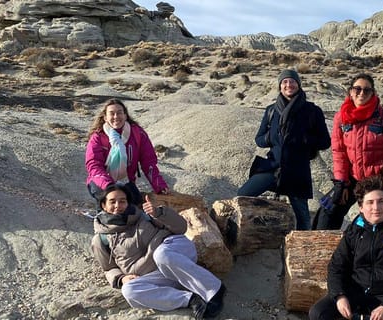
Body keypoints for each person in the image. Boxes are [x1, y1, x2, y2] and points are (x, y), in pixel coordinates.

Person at [91, 183, 225, 319]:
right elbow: (108, 268)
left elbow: (181, 227)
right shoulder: (101, 239)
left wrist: (159, 213)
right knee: (129, 290)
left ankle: (214, 290)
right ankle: (191, 300)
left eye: (122, 201)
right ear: (103, 205)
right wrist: (121, 278)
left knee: (161, 254)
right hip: (155, 275)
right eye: (112, 201)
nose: (117, 205)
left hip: (175, 254)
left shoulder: (143, 216)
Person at [309, 177, 383, 320]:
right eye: (370, 202)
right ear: (361, 208)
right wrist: (339, 295)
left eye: (381, 201)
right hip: (357, 291)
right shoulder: (354, 231)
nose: (376, 208)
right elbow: (336, 267)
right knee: (318, 313)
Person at [316, 73, 383, 230]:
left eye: (367, 90)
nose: (361, 93)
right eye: (357, 89)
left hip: (381, 180)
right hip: (354, 179)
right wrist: (341, 183)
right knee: (328, 211)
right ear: (350, 92)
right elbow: (339, 152)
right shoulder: (341, 117)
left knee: (381, 219)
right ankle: (319, 249)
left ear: (373, 93)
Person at [238, 69, 331, 230]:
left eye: (292, 81)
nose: (289, 85)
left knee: (302, 216)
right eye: (285, 82)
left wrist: (303, 139)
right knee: (242, 195)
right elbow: (259, 139)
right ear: (280, 86)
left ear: (298, 85)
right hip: (273, 167)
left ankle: (303, 248)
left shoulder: (312, 111)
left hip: (297, 170)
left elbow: (325, 142)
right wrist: (270, 138)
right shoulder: (271, 110)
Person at [85, 98, 169, 210]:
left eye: (119, 113)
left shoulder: (137, 134)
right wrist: (110, 186)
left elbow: (148, 162)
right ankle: (103, 222)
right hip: (101, 182)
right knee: (111, 206)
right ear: (105, 117)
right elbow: (94, 166)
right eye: (112, 113)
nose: (116, 116)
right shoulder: (98, 137)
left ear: (125, 115)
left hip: (126, 181)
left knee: (134, 209)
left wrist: (159, 186)